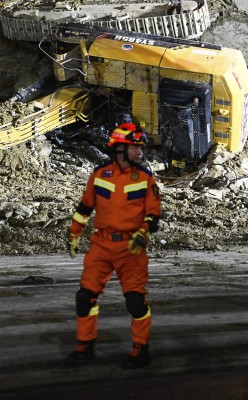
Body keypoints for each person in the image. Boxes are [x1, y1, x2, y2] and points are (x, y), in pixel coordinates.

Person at [64, 122, 161, 370]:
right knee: (85, 297)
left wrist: (143, 233)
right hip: (102, 246)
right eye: (136, 147)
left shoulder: (145, 178)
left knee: (135, 302)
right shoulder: (99, 175)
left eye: (140, 148)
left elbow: (154, 215)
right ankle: (85, 347)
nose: (140, 153)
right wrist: (74, 233)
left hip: (131, 249)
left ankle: (141, 348)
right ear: (120, 149)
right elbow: (85, 207)